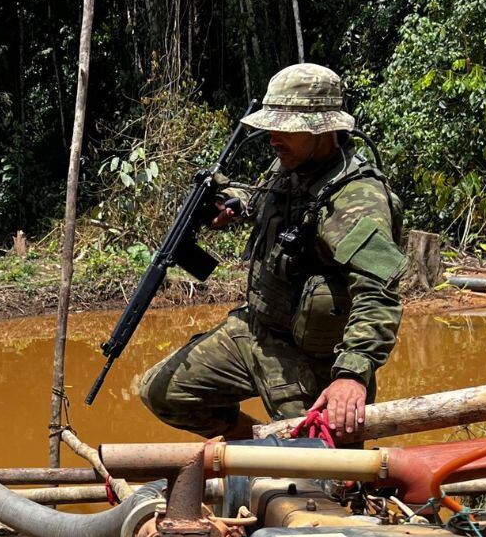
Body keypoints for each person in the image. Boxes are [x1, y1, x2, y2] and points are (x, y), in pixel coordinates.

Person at [134, 63, 405, 443]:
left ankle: (282, 450)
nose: (273, 138)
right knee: (163, 392)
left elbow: (379, 291)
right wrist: (235, 202)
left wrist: (351, 376)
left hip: (311, 362)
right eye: (273, 126)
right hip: (255, 332)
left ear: (323, 129)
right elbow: (264, 196)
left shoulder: (356, 198)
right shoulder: (291, 161)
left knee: (323, 478)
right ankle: (258, 441)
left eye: (286, 127)